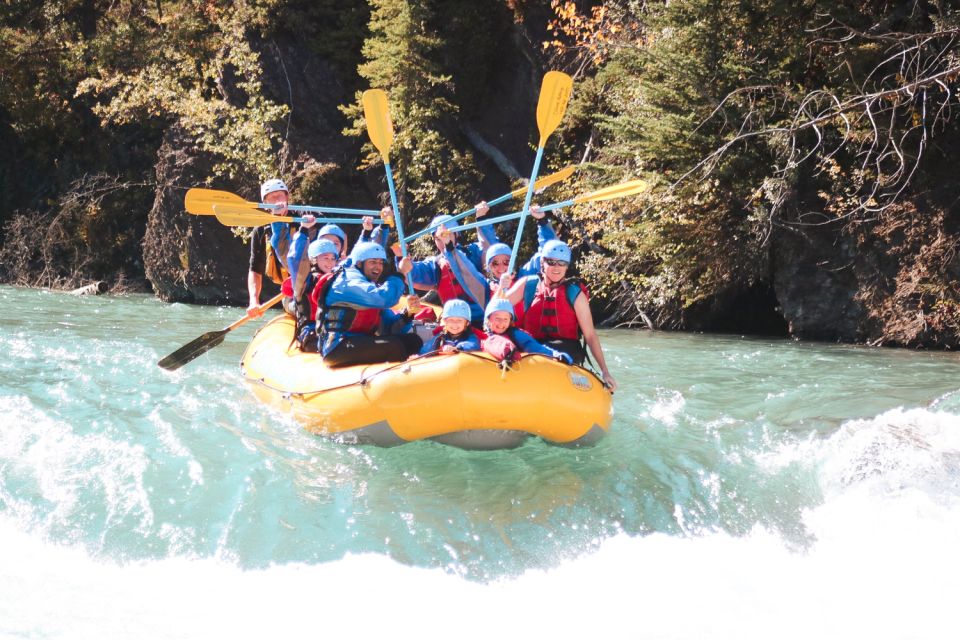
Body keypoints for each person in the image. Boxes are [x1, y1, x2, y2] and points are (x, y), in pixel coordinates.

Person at [497, 239, 618, 391]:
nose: (556, 267)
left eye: (562, 263)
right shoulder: (528, 284)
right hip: (532, 345)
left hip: (566, 348)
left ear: (567, 266)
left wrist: (605, 371)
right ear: (543, 263)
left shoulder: (574, 293)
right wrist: (501, 288)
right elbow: (495, 310)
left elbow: (590, 335)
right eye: (551, 262)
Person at [316, 241, 422, 367]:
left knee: (413, 341)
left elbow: (389, 328)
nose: (378, 267)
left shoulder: (369, 287)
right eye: (372, 262)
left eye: (380, 263)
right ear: (359, 264)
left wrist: (408, 312)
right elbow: (386, 298)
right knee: (394, 346)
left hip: (360, 342)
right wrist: (400, 273)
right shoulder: (347, 283)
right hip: (337, 346)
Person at [248, 178, 321, 318]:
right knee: (299, 306)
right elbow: (255, 270)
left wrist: (312, 220)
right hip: (290, 291)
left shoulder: (302, 215)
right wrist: (253, 301)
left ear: (287, 197)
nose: (277, 200)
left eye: (280, 195)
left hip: (314, 280)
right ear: (265, 203)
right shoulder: (261, 230)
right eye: (272, 197)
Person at [284, 238, 338, 352]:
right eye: (325, 258)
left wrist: (366, 233)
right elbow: (294, 259)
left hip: (333, 331)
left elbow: (360, 260)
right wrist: (303, 231)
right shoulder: (305, 282)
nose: (330, 262)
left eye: (333, 259)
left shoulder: (338, 279)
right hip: (310, 331)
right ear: (313, 260)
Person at [480, 298, 572, 364]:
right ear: (488, 319)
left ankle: (508, 353)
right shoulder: (482, 337)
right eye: (497, 318)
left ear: (510, 321)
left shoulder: (515, 334)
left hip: (516, 370)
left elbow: (534, 347)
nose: (501, 323)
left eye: (505, 319)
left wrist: (555, 355)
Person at [419, 299, 485, 356]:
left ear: (467, 323)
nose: (455, 323)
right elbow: (426, 349)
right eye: (451, 320)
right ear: (445, 322)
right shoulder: (440, 337)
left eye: (459, 320)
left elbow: (473, 345)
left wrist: (456, 348)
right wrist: (418, 356)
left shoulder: (470, 336)